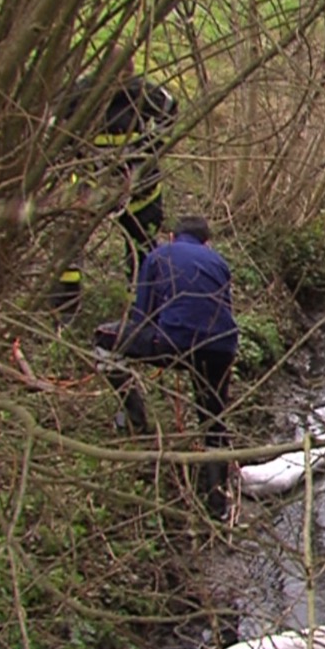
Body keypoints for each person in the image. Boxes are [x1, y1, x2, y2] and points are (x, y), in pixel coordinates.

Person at [93, 215, 239, 518]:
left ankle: (134, 418)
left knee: (104, 338)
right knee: (213, 421)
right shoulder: (219, 262)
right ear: (207, 241)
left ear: (172, 236)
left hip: (175, 343)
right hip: (222, 346)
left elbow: (142, 317)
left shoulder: (158, 256)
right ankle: (218, 507)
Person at [51, 73, 180, 311]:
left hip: (135, 191)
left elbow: (170, 107)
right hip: (94, 188)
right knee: (70, 246)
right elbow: (52, 123)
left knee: (141, 249)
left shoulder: (139, 92)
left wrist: (150, 147)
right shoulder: (81, 95)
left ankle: (138, 312)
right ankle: (65, 310)